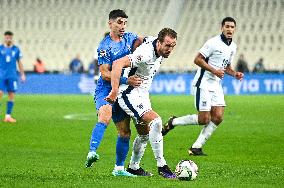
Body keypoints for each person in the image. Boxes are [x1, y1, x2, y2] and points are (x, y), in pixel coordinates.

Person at [162, 17, 244, 156]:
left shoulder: (233, 47)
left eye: (232, 27)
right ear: (222, 28)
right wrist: (214, 71)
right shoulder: (213, 43)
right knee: (204, 119)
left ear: (234, 29)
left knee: (218, 117)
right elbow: (197, 60)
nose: (229, 29)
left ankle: (196, 147)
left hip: (216, 85)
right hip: (203, 83)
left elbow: (226, 67)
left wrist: (235, 73)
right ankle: (173, 122)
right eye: (227, 26)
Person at [85, 9, 151, 177]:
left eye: (125, 23)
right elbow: (105, 74)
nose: (123, 26)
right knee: (105, 116)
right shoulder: (104, 46)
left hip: (123, 92)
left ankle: (119, 169)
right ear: (110, 23)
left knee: (125, 132)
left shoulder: (129, 38)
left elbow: (143, 41)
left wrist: (154, 42)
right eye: (119, 22)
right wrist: (125, 80)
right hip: (106, 89)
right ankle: (92, 152)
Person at [106, 28, 178, 179]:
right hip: (129, 93)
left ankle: (133, 167)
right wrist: (114, 91)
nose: (170, 49)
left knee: (144, 135)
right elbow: (118, 64)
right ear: (159, 42)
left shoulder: (155, 43)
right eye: (167, 45)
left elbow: (140, 38)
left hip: (142, 94)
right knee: (156, 122)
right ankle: (162, 166)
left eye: (173, 46)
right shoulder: (145, 53)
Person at [0, 31, 26, 123]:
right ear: (4, 37)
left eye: (10, 37)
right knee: (0, 93)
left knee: (11, 95)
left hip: (12, 75)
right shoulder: (0, 48)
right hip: (1, 75)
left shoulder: (16, 49)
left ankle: (8, 116)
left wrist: (22, 74)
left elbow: (19, 62)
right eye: (7, 37)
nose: (8, 38)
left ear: (12, 38)